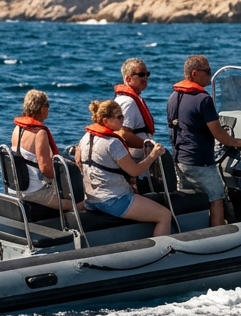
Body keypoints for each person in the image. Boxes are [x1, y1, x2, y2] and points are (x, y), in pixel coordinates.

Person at [168, 55, 241, 227]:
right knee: (216, 197)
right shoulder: (203, 100)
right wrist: (237, 142)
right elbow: (218, 133)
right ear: (195, 73)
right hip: (200, 162)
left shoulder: (174, 96)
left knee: (192, 198)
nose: (210, 75)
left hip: (180, 159)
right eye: (208, 71)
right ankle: (217, 235)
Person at [77, 99, 173, 236]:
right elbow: (135, 171)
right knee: (164, 215)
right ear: (105, 120)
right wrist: (153, 155)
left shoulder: (86, 137)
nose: (123, 120)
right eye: (119, 117)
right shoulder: (112, 143)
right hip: (114, 199)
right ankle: (163, 253)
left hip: (92, 199)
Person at [10, 89, 74, 211]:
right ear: (43, 108)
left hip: (16, 188)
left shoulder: (17, 129)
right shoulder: (40, 133)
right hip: (33, 192)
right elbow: (46, 170)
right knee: (78, 204)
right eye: (48, 106)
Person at [113, 57, 157, 191]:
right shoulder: (128, 102)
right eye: (140, 75)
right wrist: (149, 148)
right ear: (128, 79)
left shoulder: (132, 99)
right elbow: (124, 133)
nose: (145, 78)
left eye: (147, 74)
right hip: (134, 161)